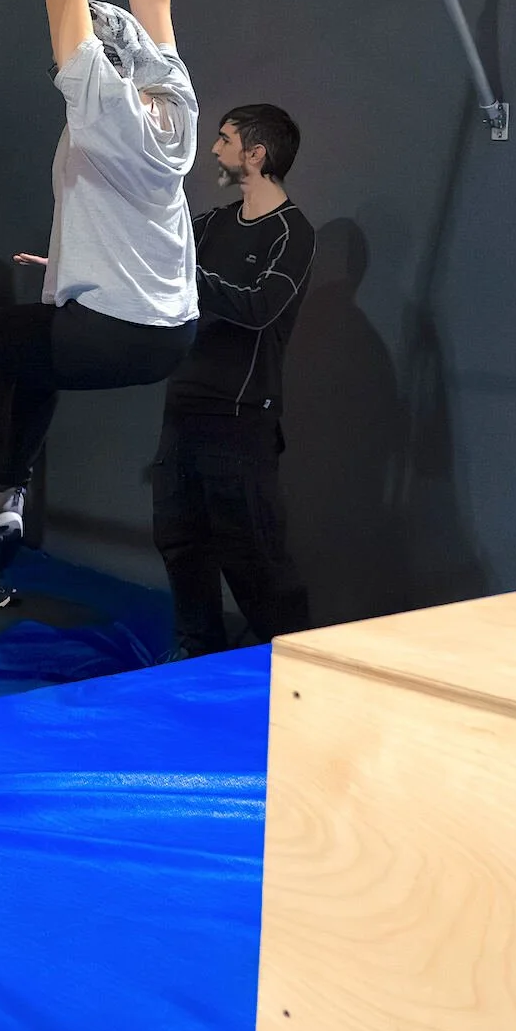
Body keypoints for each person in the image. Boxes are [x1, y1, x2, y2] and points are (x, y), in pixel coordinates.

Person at [0, 0, 200, 606]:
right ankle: (8, 492)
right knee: (39, 335)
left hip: (115, 332)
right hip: (168, 334)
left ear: (95, 59)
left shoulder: (101, 105)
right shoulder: (176, 97)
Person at [154, 104, 315, 658]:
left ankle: (292, 660)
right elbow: (158, 261)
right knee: (180, 539)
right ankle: (194, 647)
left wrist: (188, 278)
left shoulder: (292, 233)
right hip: (186, 406)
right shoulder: (213, 222)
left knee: (252, 552)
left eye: (225, 140)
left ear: (256, 154)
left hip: (241, 417)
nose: (215, 150)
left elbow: (260, 307)